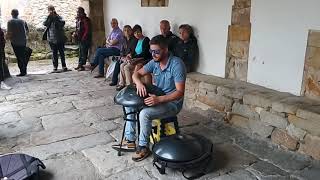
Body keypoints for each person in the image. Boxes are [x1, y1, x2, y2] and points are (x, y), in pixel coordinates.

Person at [112, 35, 186, 162]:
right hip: (157, 96)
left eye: (157, 51)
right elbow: (136, 74)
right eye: (151, 51)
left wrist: (159, 99)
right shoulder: (155, 62)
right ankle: (130, 140)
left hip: (172, 103)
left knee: (144, 113)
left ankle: (143, 147)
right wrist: (139, 83)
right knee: (129, 104)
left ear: (166, 50)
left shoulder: (176, 64)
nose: (153, 54)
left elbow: (180, 92)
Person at [116, 25, 151, 91]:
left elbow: (144, 54)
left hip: (143, 59)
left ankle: (129, 86)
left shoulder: (146, 40)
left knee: (126, 67)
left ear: (141, 31)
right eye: (135, 33)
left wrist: (133, 57)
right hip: (136, 59)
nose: (137, 34)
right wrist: (130, 55)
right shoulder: (137, 41)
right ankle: (122, 83)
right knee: (122, 65)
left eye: (138, 32)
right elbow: (135, 52)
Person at [43, 5, 68, 72]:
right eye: (49, 10)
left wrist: (55, 17)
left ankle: (64, 66)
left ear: (54, 10)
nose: (50, 11)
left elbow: (62, 23)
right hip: (51, 38)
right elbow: (44, 24)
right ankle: (55, 67)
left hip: (60, 38)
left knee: (61, 52)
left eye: (52, 9)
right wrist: (49, 17)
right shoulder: (48, 17)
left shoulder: (58, 17)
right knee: (54, 53)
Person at [7, 9, 29, 76]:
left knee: (19, 57)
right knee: (23, 56)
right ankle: (24, 70)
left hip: (15, 42)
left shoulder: (10, 22)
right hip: (23, 41)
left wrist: (7, 38)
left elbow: (9, 33)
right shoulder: (23, 21)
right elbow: (27, 30)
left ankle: (22, 72)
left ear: (11, 14)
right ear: (18, 13)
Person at [74, 7, 92, 71]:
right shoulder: (78, 19)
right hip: (80, 39)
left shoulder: (85, 19)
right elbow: (77, 28)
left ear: (82, 12)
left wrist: (83, 37)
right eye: (77, 12)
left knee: (84, 53)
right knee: (80, 52)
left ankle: (82, 66)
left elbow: (87, 30)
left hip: (85, 39)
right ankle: (79, 65)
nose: (77, 13)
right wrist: (75, 34)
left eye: (78, 12)